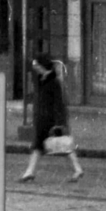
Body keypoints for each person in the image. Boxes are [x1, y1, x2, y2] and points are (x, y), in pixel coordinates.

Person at [20, 53, 83, 182]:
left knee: (61, 147)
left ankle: (30, 172)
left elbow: (59, 104)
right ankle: (30, 171)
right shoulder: (41, 79)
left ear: (43, 66)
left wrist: (59, 123)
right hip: (42, 120)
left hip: (51, 121)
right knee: (41, 146)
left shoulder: (54, 82)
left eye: (37, 65)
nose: (35, 68)